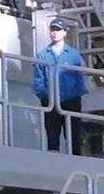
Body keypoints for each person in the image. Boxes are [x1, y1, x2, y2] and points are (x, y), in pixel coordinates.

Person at [32, 18, 87, 154]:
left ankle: (76, 159)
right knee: (52, 135)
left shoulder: (73, 55)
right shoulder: (43, 55)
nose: (54, 32)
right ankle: (53, 157)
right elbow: (39, 78)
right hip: (50, 101)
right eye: (52, 29)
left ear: (64, 32)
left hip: (71, 100)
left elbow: (79, 77)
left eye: (58, 29)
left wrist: (77, 96)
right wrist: (43, 96)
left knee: (74, 136)